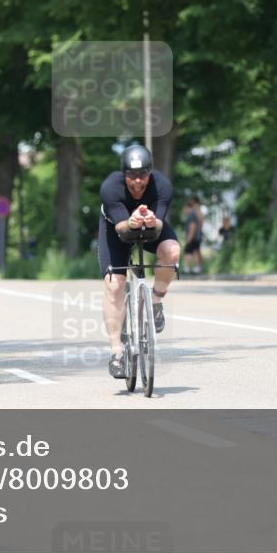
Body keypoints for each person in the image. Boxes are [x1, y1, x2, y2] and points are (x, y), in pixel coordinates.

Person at [99, 145, 181, 379]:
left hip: (151, 228)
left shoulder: (162, 186)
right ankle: (116, 352)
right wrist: (132, 221)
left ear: (150, 174)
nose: (137, 182)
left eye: (142, 175)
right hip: (118, 231)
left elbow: (159, 226)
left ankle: (155, 302)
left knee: (172, 252)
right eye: (131, 176)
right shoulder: (111, 188)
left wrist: (151, 220)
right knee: (114, 285)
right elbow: (122, 229)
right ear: (123, 175)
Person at [183, 196, 204, 274]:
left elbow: (193, 226)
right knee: (195, 252)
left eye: (185, 208)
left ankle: (187, 269)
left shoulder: (192, 214)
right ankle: (197, 268)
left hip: (193, 237)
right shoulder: (198, 212)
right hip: (197, 236)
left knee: (188, 252)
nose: (184, 210)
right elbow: (200, 224)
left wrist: (189, 238)